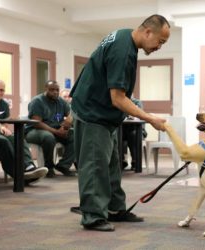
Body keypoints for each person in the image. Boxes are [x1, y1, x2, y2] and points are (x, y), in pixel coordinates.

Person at [70, 14, 170, 232]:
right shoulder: (124, 51)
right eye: (160, 41)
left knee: (112, 164)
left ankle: (115, 208)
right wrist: (150, 118)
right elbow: (117, 97)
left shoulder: (124, 35)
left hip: (103, 112)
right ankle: (93, 216)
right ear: (147, 32)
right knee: (96, 165)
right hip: (93, 112)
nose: (159, 46)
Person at [0, 79, 48, 185]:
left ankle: (29, 166)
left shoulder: (4, 105)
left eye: (2, 90)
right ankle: (19, 174)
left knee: (17, 137)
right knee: (3, 141)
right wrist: (0, 127)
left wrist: (4, 129)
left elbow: (4, 124)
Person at [25, 80, 75, 178]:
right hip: (34, 131)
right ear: (46, 89)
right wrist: (57, 132)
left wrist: (65, 127)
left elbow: (71, 114)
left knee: (75, 135)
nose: (55, 92)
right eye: (52, 90)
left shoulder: (61, 101)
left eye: (57, 90)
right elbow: (37, 123)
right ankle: (49, 166)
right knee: (48, 137)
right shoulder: (37, 101)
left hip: (55, 130)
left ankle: (63, 165)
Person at [122, 97, 147, 170]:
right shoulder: (120, 101)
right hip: (123, 130)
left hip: (137, 130)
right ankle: (122, 160)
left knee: (133, 135)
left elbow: (139, 114)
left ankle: (135, 161)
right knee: (118, 135)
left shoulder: (137, 102)